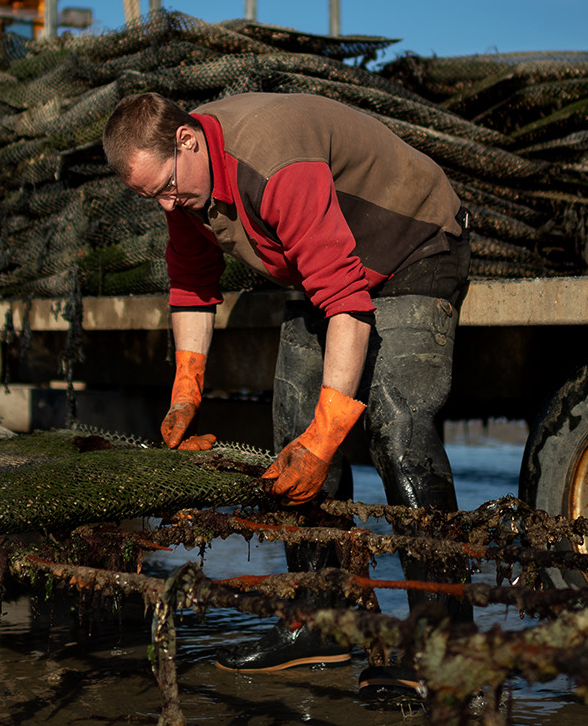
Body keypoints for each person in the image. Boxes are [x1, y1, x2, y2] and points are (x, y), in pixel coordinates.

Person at [102, 90, 472, 681]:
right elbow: (193, 284)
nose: (168, 205)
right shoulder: (187, 191)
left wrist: (326, 438)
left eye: (168, 188)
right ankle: (321, 618)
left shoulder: (272, 159)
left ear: (187, 140)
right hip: (329, 265)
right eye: (153, 199)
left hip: (413, 245)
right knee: (290, 430)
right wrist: (186, 393)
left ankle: (445, 641)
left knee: (396, 428)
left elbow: (346, 302)